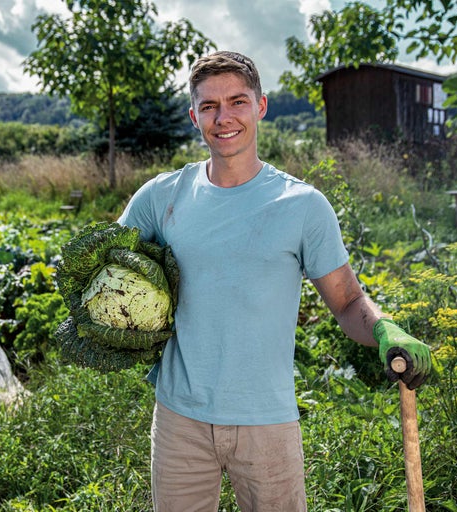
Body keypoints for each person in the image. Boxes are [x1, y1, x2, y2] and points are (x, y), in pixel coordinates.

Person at [116, 50, 432, 511]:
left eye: (237, 102)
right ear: (194, 116)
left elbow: (347, 304)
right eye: (209, 106)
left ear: (261, 106)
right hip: (179, 419)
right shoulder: (162, 196)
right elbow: (106, 263)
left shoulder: (302, 205)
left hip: (267, 421)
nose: (224, 118)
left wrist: (385, 328)